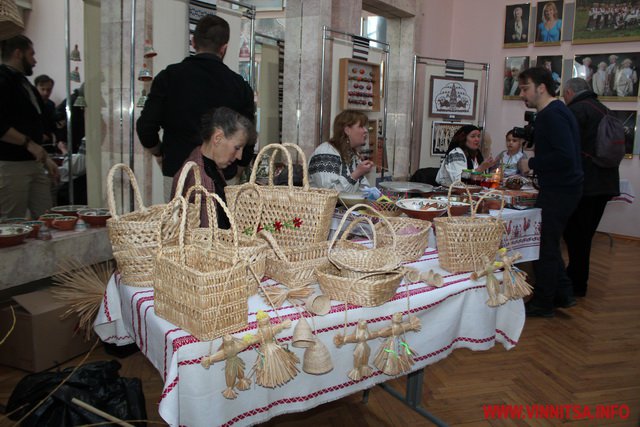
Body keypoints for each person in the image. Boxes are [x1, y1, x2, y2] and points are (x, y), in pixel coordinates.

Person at [136, 15, 255, 201]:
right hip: (223, 175)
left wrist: (160, 153)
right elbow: (248, 136)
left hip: (178, 171)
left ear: (193, 42)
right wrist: (239, 167)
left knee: (180, 227)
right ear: (224, 48)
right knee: (220, 228)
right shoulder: (239, 86)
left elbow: (146, 127)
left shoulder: (168, 77)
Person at [516, 67, 583, 318]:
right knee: (549, 243)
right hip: (565, 188)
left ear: (541, 88)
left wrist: (530, 164)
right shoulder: (558, 111)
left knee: (543, 246)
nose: (522, 94)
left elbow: (564, 157)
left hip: (560, 190)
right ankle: (563, 293)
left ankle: (543, 302)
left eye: (526, 88)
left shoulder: (550, 115)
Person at [562, 78, 620, 298]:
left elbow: (568, 149)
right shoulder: (605, 110)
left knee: (575, 235)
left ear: (569, 92)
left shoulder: (577, 111)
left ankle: (576, 282)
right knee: (584, 235)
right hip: (606, 183)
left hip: (585, 183)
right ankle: (576, 278)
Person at [0, 35, 58, 219]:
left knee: (46, 218)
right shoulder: (2, 79)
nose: (34, 60)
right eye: (31, 54)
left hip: (33, 162)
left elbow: (36, 123)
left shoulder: (24, 83)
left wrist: (45, 158)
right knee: (12, 223)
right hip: (10, 164)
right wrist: (28, 144)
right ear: (18, 53)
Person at [170, 107, 256, 229]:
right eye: (237, 148)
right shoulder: (198, 178)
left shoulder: (210, 168)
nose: (240, 156)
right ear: (217, 138)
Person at [308, 110, 374, 193]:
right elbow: (328, 192)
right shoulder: (326, 153)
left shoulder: (352, 155)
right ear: (347, 130)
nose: (365, 130)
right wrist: (357, 173)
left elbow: (363, 189)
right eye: (361, 126)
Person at [34, 74, 56, 152]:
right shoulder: (30, 104)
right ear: (36, 88)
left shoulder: (51, 104)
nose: (46, 93)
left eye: (49, 90)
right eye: (42, 89)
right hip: (34, 142)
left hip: (48, 143)